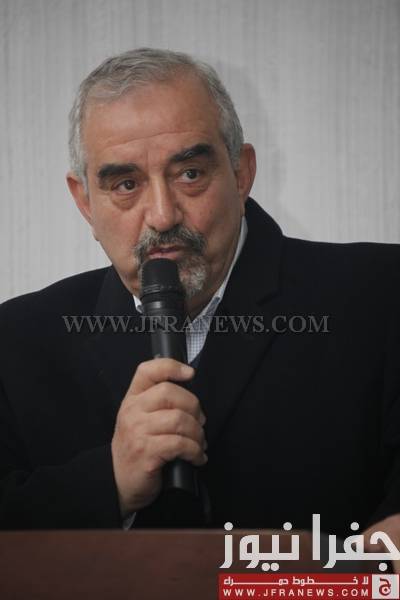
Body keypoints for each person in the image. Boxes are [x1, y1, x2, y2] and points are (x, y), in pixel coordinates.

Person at [0, 48, 400, 549]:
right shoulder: (14, 343)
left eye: (189, 173)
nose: (162, 215)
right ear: (85, 202)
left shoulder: (383, 295)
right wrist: (109, 481)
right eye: (126, 184)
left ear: (241, 172)